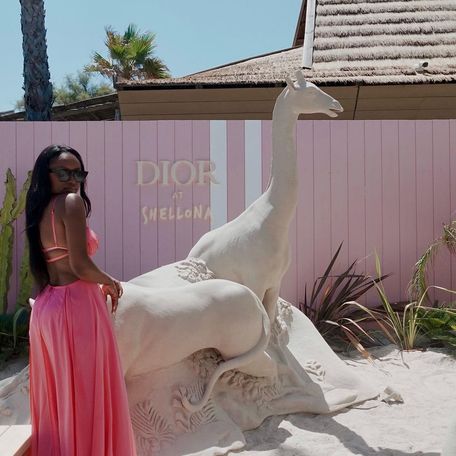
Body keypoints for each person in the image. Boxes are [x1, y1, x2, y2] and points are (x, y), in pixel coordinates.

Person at [25, 144, 137, 455]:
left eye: (78, 173)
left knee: (60, 395)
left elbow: (56, 265)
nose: (72, 179)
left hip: (48, 308)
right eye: (63, 172)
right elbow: (79, 265)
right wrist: (110, 282)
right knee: (87, 393)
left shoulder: (41, 208)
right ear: (46, 175)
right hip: (77, 308)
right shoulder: (70, 203)